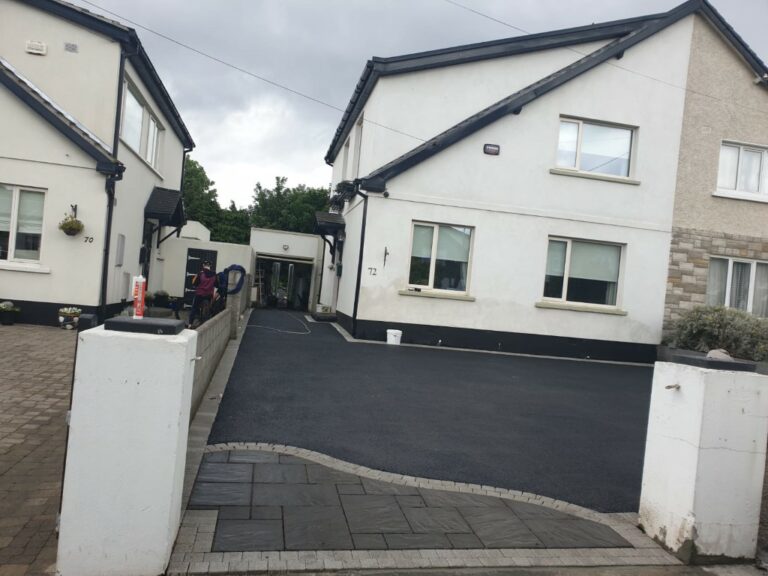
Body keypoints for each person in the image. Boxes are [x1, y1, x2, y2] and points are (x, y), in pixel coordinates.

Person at [188, 260, 219, 327]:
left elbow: (194, 283)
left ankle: (190, 324)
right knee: (209, 308)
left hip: (199, 294)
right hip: (209, 295)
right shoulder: (214, 275)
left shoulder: (200, 273)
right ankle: (206, 323)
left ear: (203, 265)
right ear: (210, 266)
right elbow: (217, 285)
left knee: (194, 307)